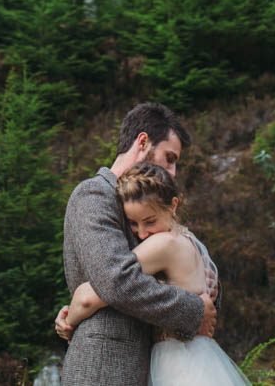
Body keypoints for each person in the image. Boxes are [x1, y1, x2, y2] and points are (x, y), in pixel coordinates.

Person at [56, 102, 217, 386]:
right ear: (143, 142)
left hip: (151, 365)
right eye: (169, 158)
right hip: (104, 366)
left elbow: (197, 274)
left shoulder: (154, 209)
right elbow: (116, 279)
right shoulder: (94, 195)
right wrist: (192, 310)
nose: (173, 170)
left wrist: (202, 302)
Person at [67, 162, 251, 386]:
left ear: (173, 205)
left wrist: (68, 322)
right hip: (200, 357)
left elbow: (94, 293)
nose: (143, 233)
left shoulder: (163, 244)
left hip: (176, 363)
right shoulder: (189, 240)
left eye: (150, 221)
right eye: (133, 224)